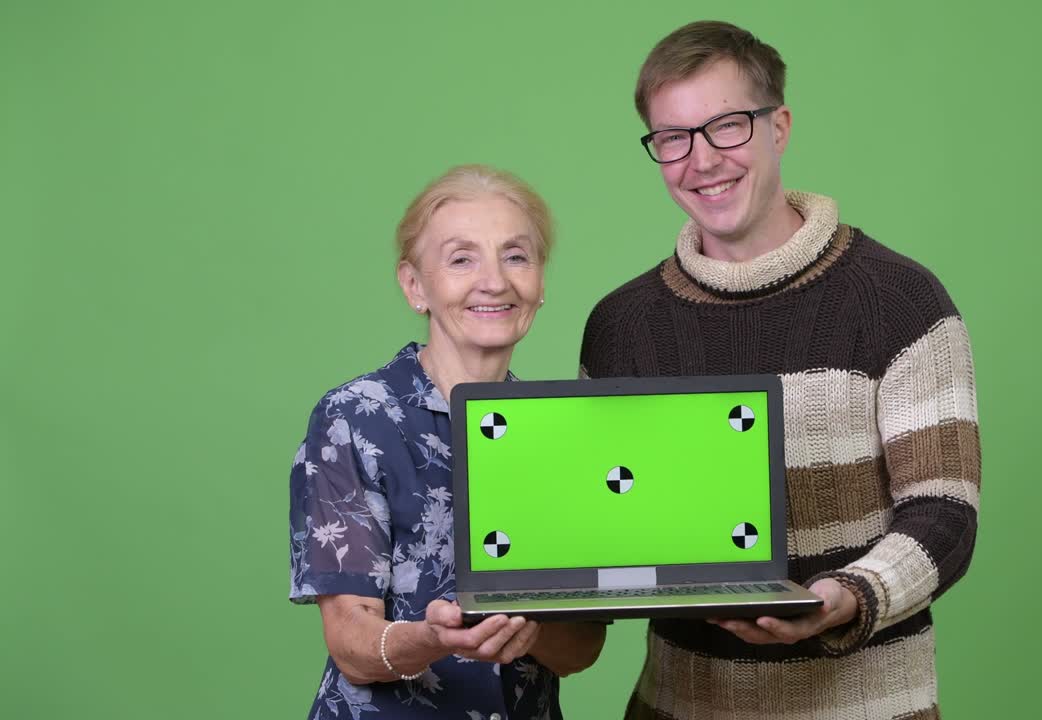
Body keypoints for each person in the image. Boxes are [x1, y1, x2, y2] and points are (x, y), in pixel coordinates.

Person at [579, 21, 981, 720]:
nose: (701, 160)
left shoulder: (901, 301)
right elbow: (613, 529)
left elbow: (944, 513)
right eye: (673, 138)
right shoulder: (622, 328)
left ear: (779, 127)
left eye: (727, 126)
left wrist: (847, 595)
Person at [290, 165, 606, 720]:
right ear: (415, 286)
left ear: (540, 282)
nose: (495, 281)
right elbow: (351, 647)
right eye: (462, 258)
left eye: (516, 256)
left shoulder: (561, 433)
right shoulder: (354, 420)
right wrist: (437, 638)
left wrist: (523, 631)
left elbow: (582, 649)